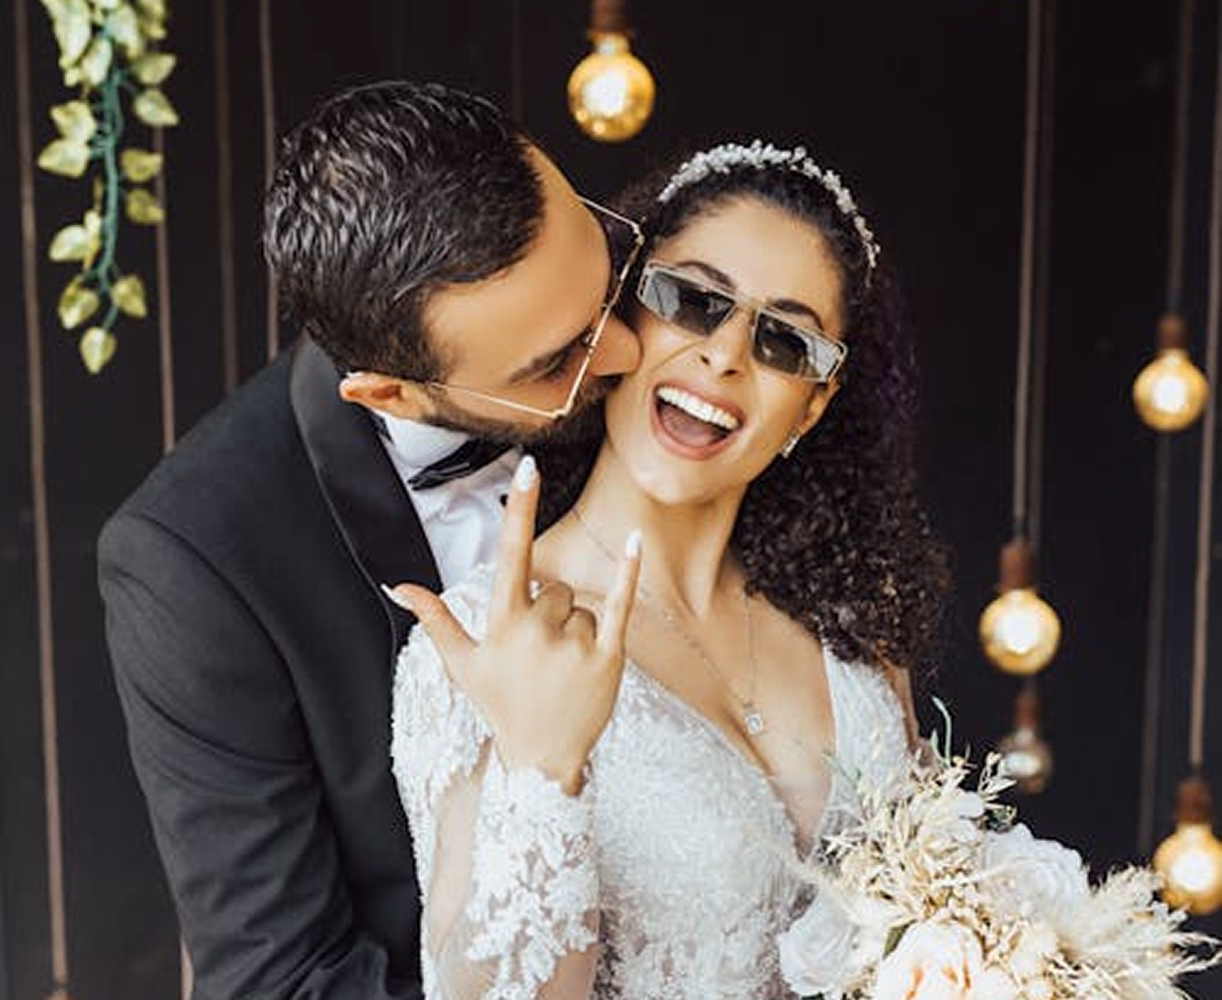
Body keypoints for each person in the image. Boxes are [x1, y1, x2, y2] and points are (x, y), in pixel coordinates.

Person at [97, 79, 647, 1000]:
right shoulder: (194, 560)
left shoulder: (660, 375)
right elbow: (285, 978)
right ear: (386, 393)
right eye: (559, 363)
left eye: (610, 277)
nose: (629, 352)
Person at [389, 140, 951, 998]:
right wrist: (546, 766)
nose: (725, 354)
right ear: (621, 314)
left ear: (815, 401)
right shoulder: (483, 644)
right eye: (692, 300)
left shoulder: (857, 613)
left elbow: (941, 902)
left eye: (784, 342)